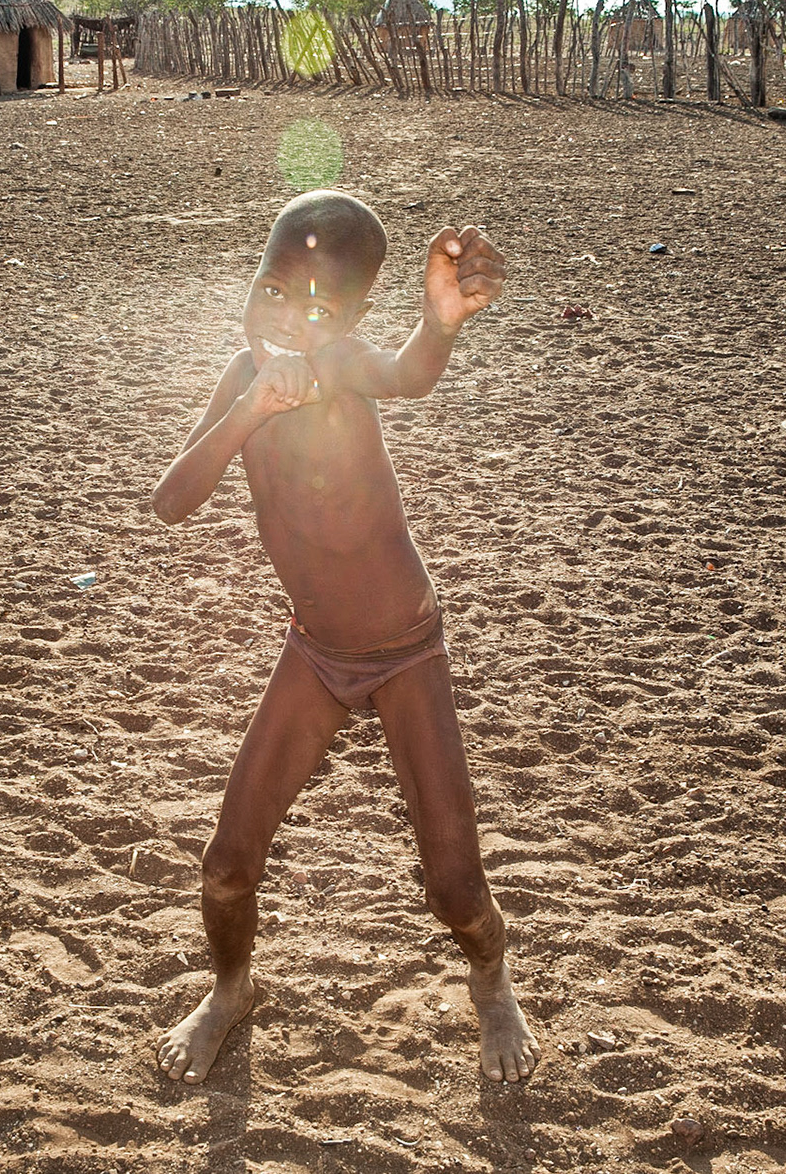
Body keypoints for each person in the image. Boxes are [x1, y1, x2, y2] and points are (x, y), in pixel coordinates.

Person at [150, 191, 537, 1085]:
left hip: (406, 648)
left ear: (353, 316)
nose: (291, 316)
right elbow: (172, 501)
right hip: (314, 651)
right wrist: (248, 407)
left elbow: (410, 372)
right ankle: (231, 988)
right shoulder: (238, 377)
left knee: (453, 886)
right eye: (275, 290)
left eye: (322, 305)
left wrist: (439, 322)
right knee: (224, 868)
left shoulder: (348, 364)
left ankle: (492, 984)